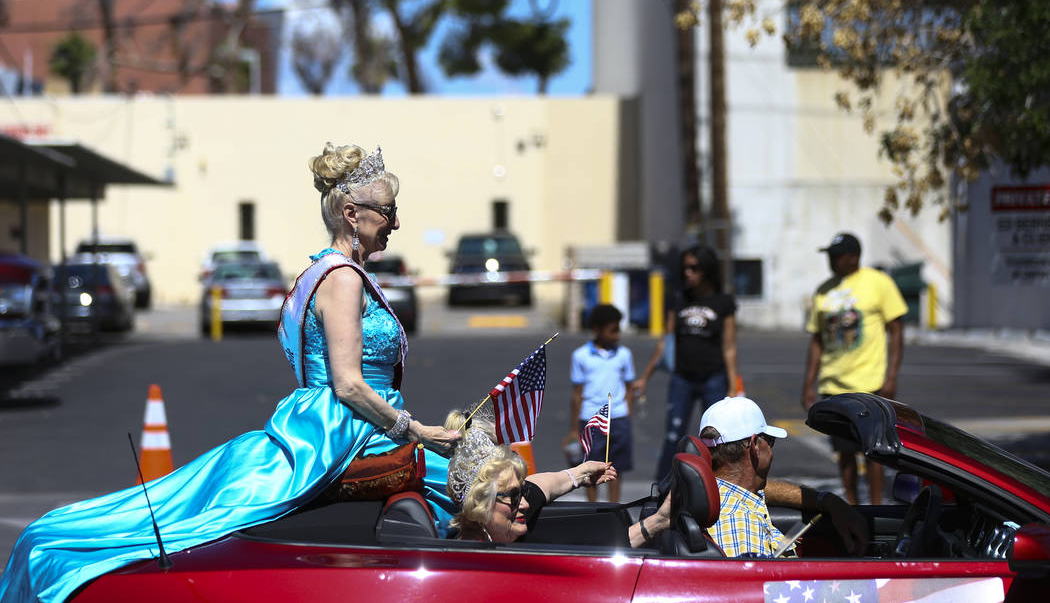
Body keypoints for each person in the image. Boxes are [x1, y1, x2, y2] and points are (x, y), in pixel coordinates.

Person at [0, 143, 462, 603]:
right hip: (344, 430)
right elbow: (347, 383)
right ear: (350, 212)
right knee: (464, 482)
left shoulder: (328, 272)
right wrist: (415, 430)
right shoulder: (341, 278)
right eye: (388, 211)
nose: (396, 223)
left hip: (345, 421)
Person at [446, 416, 672, 548]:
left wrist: (580, 474)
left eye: (521, 491)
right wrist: (657, 523)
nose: (524, 503)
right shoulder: (469, 564)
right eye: (514, 496)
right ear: (479, 506)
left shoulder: (507, 512)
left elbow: (542, 486)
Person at [801, 232, 907, 505]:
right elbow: (817, 339)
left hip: (870, 383)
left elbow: (896, 330)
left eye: (836, 256)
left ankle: (875, 508)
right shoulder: (824, 290)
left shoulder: (878, 283)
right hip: (833, 385)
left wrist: (891, 376)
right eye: (829, 256)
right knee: (844, 453)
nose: (831, 261)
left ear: (854, 258)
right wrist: (808, 384)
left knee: (874, 453)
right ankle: (853, 508)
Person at [700, 396, 868, 558]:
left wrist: (828, 501)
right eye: (770, 441)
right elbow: (757, 586)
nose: (772, 451)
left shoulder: (717, 491)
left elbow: (767, 489)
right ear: (755, 446)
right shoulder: (740, 524)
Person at [637, 244, 739, 483]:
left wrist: (733, 385)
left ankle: (719, 487)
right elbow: (666, 341)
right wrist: (645, 376)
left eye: (694, 268)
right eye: (685, 268)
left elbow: (730, 346)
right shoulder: (679, 298)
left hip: (714, 377)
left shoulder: (724, 302)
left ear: (707, 270)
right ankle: (662, 490)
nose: (688, 273)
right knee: (673, 436)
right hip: (682, 378)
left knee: (717, 438)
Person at [563, 304, 636, 502]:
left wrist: (628, 413)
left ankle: (614, 507)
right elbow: (576, 393)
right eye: (613, 330)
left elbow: (629, 387)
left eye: (618, 329)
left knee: (616, 467)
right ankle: (592, 507)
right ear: (597, 329)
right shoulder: (581, 356)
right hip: (591, 418)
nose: (617, 334)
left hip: (619, 417)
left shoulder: (624, 354)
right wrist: (573, 428)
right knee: (590, 468)